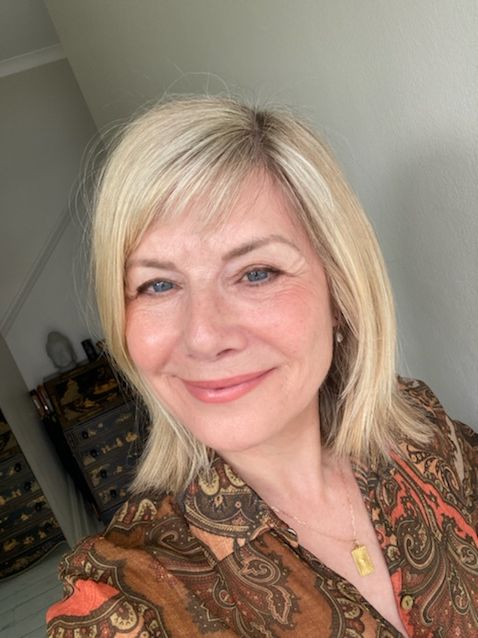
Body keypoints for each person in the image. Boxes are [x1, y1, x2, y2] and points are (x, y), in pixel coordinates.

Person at [46, 96, 477, 637]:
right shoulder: (125, 599)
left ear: (339, 291)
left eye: (256, 273)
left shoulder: (422, 427)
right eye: (157, 284)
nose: (203, 336)